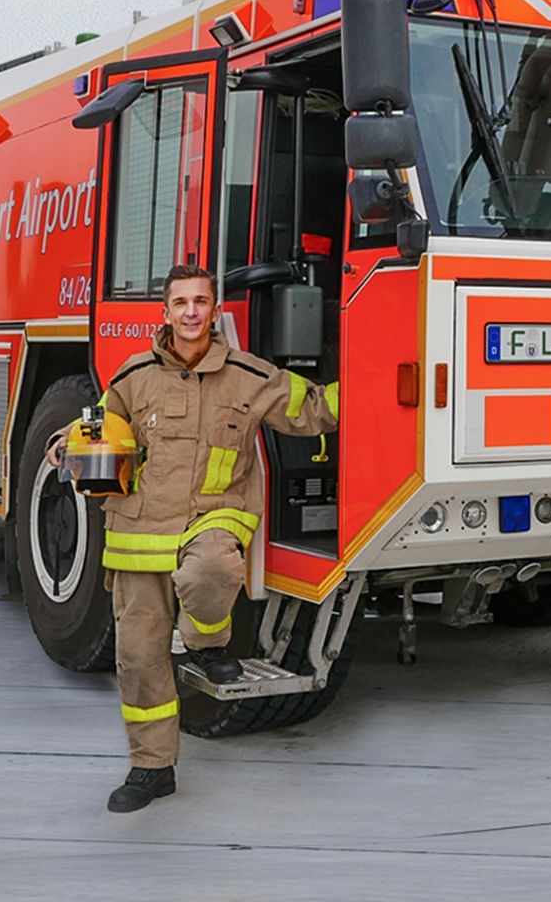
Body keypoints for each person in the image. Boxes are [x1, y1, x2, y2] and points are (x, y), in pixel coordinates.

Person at [48, 264, 337, 813]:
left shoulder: (249, 376)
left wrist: (383, 380)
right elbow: (97, 423)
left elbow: (315, 408)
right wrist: (64, 442)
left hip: (213, 516)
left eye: (200, 302)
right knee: (138, 659)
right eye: (180, 302)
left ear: (214, 311)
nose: (190, 312)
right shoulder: (134, 375)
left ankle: (207, 645)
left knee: (211, 571)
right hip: (138, 533)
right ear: (165, 313)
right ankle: (152, 768)